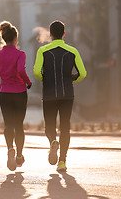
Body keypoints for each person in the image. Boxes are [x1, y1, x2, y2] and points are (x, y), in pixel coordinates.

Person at [33, 20, 87, 172]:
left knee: (49, 126)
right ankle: (62, 162)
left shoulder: (43, 50)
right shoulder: (72, 51)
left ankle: (52, 142)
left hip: (49, 94)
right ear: (64, 34)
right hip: (67, 95)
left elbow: (37, 72)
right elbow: (83, 73)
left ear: (50, 34)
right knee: (65, 127)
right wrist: (72, 78)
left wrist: (45, 78)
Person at [0, 21, 32, 171]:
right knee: (19, 125)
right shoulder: (21, 54)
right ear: (16, 39)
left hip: (5, 93)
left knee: (8, 124)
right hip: (20, 93)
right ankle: (19, 156)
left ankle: (10, 149)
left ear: (3, 38)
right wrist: (28, 82)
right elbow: (21, 70)